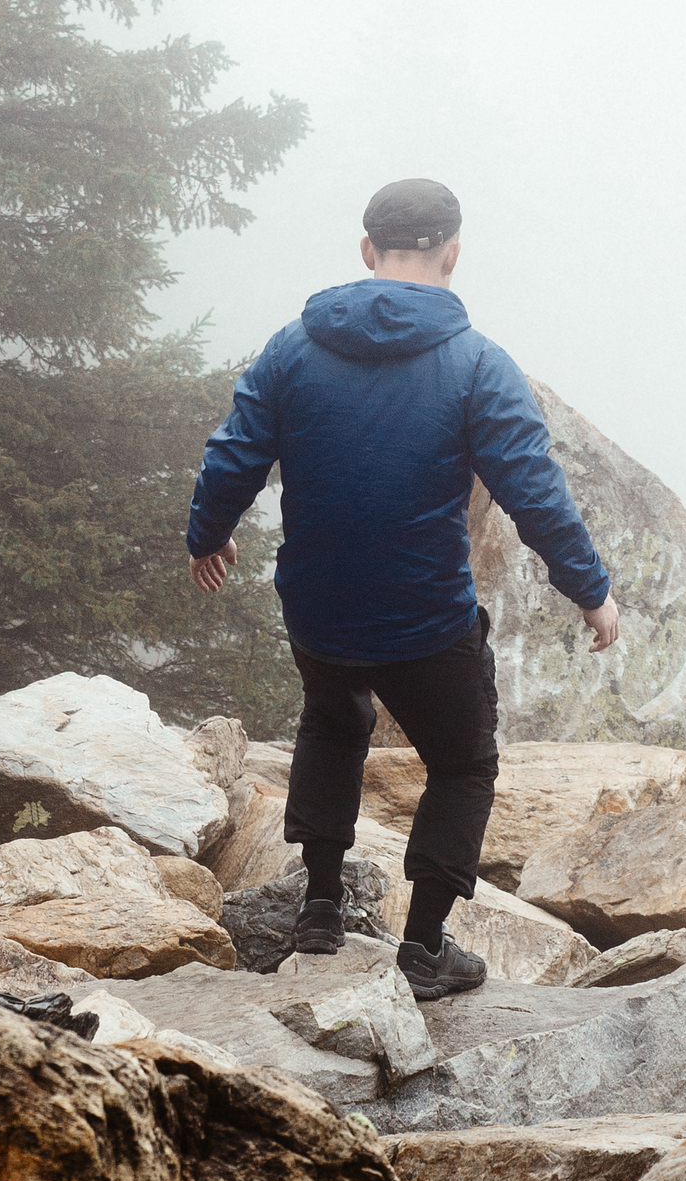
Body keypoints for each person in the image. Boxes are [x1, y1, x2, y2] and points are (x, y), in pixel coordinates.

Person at [186, 177, 621, 998]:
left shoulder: (292, 348)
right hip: (426, 622)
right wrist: (590, 590)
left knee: (335, 715)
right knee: (462, 763)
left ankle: (319, 906)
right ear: (452, 253)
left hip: (318, 608)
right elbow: (535, 492)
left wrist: (207, 535)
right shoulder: (479, 366)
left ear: (366, 253)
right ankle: (423, 950)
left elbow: (232, 453)